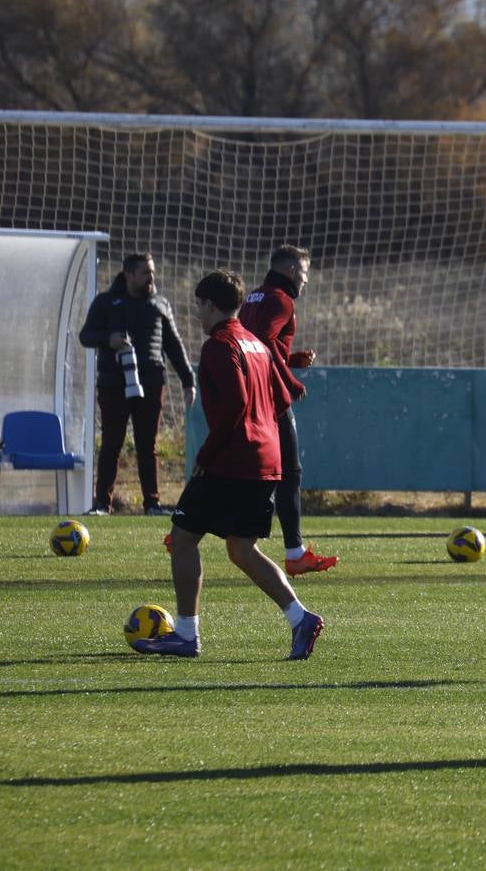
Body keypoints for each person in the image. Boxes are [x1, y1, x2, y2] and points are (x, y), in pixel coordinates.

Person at [131, 269, 324, 660]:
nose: (198, 315)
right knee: (241, 548)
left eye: (198, 307)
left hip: (233, 459)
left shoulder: (219, 345)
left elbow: (235, 405)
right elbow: (283, 399)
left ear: (211, 305)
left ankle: (186, 635)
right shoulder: (256, 343)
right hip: (266, 460)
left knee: (184, 537)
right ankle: (300, 618)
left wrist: (207, 454)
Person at [239, 244, 338, 577]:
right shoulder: (282, 300)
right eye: (305, 273)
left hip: (251, 392)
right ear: (292, 271)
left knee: (244, 471)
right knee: (290, 474)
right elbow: (263, 346)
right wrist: (290, 382)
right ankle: (295, 553)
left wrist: (290, 361)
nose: (306, 281)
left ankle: (183, 531)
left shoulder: (253, 296)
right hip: (271, 396)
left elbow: (250, 343)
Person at [78, 252, 195, 515]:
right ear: (128, 275)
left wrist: (188, 380)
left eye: (152, 272)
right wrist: (109, 338)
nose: (150, 277)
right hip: (113, 383)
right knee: (111, 444)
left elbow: (173, 345)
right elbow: (86, 335)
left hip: (152, 381)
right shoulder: (106, 302)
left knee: (147, 446)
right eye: (145, 272)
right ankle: (101, 505)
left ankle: (152, 504)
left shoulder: (159, 304)